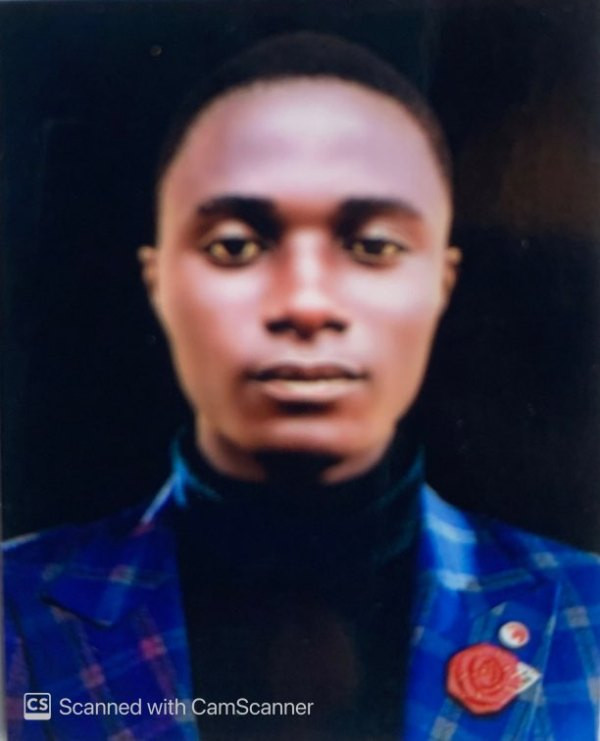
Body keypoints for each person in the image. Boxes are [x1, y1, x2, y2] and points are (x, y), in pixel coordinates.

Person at [4, 32, 600, 741]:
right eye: (235, 245)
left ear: (442, 281)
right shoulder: (17, 607)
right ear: (158, 281)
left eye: (374, 245)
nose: (306, 303)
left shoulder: (585, 609)